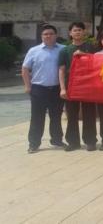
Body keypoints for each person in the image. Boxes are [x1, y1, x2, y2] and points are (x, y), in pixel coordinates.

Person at [21, 24, 65, 153]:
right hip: (38, 89)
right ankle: (34, 144)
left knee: (56, 116)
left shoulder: (63, 49)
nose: (48, 36)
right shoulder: (34, 51)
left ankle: (56, 140)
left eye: (51, 33)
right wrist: (27, 86)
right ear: (41, 36)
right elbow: (25, 69)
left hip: (56, 89)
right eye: (45, 34)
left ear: (56, 35)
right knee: (37, 117)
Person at [58, 22, 97, 151]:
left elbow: (97, 63)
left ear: (84, 32)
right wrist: (63, 88)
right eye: (75, 30)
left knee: (89, 114)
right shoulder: (65, 50)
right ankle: (73, 142)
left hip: (88, 85)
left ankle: (90, 141)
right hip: (71, 86)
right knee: (72, 115)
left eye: (80, 30)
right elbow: (61, 70)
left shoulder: (91, 47)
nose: (77, 32)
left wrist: (85, 55)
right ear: (70, 33)